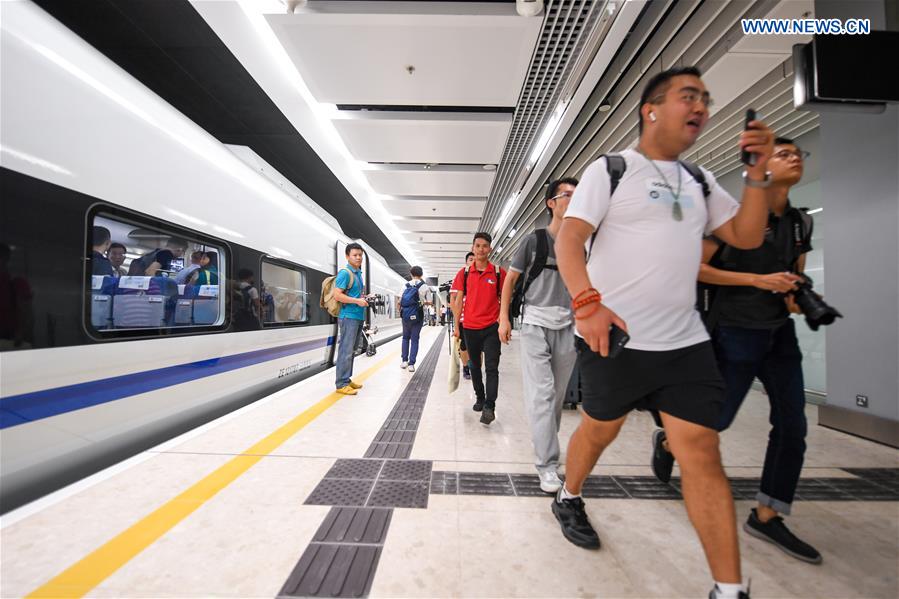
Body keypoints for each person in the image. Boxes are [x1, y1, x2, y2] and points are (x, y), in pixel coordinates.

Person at [553, 66, 773, 599]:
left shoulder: (699, 180)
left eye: (705, 98)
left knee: (700, 450)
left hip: (685, 343)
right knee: (599, 431)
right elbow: (569, 240)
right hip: (617, 340)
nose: (700, 106)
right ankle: (568, 494)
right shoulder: (610, 170)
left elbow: (743, 234)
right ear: (652, 109)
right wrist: (587, 304)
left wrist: (758, 174)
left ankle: (728, 589)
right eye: (688, 96)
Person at [649, 137, 821, 564]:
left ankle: (768, 514)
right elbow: (696, 267)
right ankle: (670, 441)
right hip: (735, 333)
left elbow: (794, 277)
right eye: (783, 153)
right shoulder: (733, 220)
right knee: (714, 422)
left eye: (797, 153)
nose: (794, 157)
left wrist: (800, 297)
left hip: (780, 336)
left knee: (792, 426)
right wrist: (755, 282)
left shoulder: (801, 223)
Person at [499, 177, 578, 493]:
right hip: (534, 325)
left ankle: (548, 449)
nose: (573, 199)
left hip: (569, 327)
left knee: (556, 398)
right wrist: (504, 318)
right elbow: (511, 281)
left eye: (578, 195)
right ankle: (546, 465)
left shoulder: (581, 242)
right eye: (566, 195)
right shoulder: (534, 241)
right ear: (551, 203)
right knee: (542, 396)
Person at [451, 233, 506, 425]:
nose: (481, 249)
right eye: (478, 246)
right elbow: (458, 301)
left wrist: (503, 319)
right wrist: (456, 325)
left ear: (490, 249)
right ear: (473, 248)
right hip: (470, 327)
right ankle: (480, 397)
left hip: (492, 327)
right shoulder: (464, 273)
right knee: (474, 366)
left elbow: (507, 297)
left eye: (485, 246)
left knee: (492, 367)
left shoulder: (499, 272)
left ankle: (489, 406)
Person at [332, 243, 368, 395]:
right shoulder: (345, 273)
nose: (358, 257)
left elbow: (353, 295)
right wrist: (357, 301)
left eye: (360, 255)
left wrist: (364, 298)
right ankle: (341, 384)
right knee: (346, 350)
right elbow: (337, 295)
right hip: (348, 317)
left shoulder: (358, 273)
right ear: (347, 256)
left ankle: (346, 379)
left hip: (357, 316)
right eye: (355, 255)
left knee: (352, 350)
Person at [449, 252, 476, 380]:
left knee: (478, 347)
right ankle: (466, 367)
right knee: (465, 346)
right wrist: (456, 323)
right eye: (471, 259)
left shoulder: (482, 275)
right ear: (466, 262)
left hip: (479, 318)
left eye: (475, 259)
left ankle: (475, 368)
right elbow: (453, 299)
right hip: (464, 319)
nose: (473, 261)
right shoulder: (462, 275)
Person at [400, 265, 431, 372]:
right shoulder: (425, 287)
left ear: (411, 274)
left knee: (405, 338)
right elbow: (430, 302)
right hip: (418, 315)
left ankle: (404, 361)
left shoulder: (405, 285)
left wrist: (402, 313)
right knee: (415, 339)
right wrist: (422, 302)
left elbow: (399, 302)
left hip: (405, 315)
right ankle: (411, 364)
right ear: (421, 275)